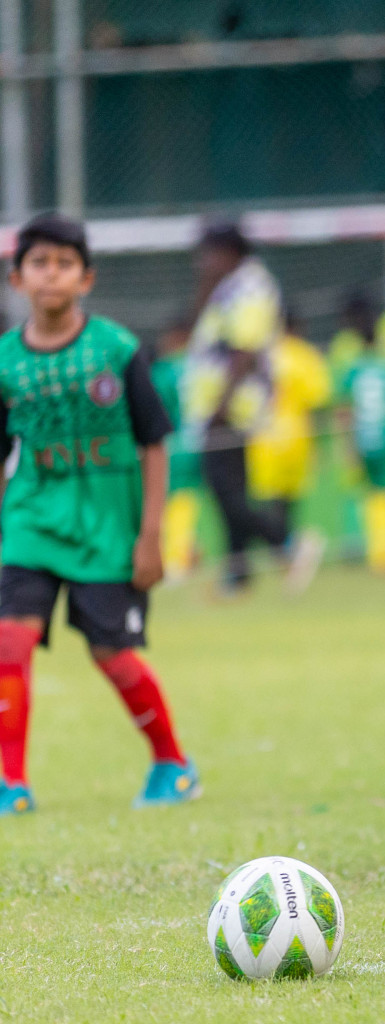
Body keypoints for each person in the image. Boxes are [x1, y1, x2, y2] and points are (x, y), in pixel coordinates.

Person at [0, 213, 201, 816]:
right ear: (17, 279)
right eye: (39, 263)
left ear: (86, 278)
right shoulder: (5, 362)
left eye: (64, 264)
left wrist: (151, 537)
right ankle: (11, 784)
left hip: (109, 530)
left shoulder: (116, 350)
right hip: (32, 523)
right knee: (9, 644)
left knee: (111, 654)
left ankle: (172, 763)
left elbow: (154, 443)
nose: (51, 275)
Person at [184, 220, 321, 593]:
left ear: (230, 252)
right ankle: (238, 575)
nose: (202, 261)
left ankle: (287, 544)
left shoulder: (250, 288)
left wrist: (220, 406)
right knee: (229, 491)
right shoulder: (227, 287)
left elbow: (244, 350)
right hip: (218, 405)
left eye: (208, 253)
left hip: (231, 407)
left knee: (226, 492)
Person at [247, 311, 333, 543]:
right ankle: (289, 546)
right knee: (290, 500)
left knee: (266, 498)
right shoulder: (306, 355)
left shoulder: (261, 353)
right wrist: (321, 442)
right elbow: (318, 400)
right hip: (297, 437)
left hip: (263, 438)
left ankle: (284, 548)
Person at [339, 322, 385, 574]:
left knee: (368, 496)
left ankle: (372, 553)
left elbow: (345, 411)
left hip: (361, 439)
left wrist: (347, 444)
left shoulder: (353, 371)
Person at [150, 318, 203, 582]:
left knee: (172, 502)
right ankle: (188, 551)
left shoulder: (165, 369)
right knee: (187, 501)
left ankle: (177, 560)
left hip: (173, 444)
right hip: (203, 441)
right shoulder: (203, 363)